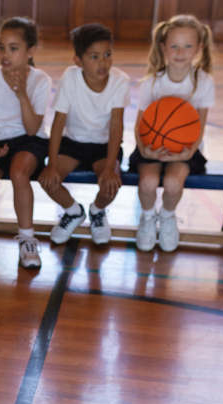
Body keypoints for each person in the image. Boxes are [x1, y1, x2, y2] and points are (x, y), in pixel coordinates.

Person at [0, 17, 51, 267]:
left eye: (13, 48)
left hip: (30, 140)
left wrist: (21, 93)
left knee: (18, 173)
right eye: (1, 47)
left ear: (31, 51)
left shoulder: (40, 80)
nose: (5, 54)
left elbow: (32, 127)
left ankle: (27, 239)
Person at [39, 23, 130, 246]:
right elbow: (58, 123)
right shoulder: (70, 78)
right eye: (94, 56)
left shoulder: (120, 81)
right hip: (73, 144)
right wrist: (51, 164)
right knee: (47, 180)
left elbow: (116, 126)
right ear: (78, 61)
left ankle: (97, 211)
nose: (103, 62)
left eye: (108, 55)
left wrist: (109, 168)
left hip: (103, 146)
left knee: (110, 185)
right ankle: (72, 211)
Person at [130, 14, 215, 252]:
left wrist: (186, 154)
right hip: (151, 145)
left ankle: (167, 217)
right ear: (163, 47)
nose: (181, 52)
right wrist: (145, 148)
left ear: (199, 48)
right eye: (174, 46)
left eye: (188, 46)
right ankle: (147, 218)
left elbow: (200, 124)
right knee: (147, 182)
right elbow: (139, 124)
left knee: (172, 183)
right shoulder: (152, 83)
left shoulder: (203, 81)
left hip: (187, 149)